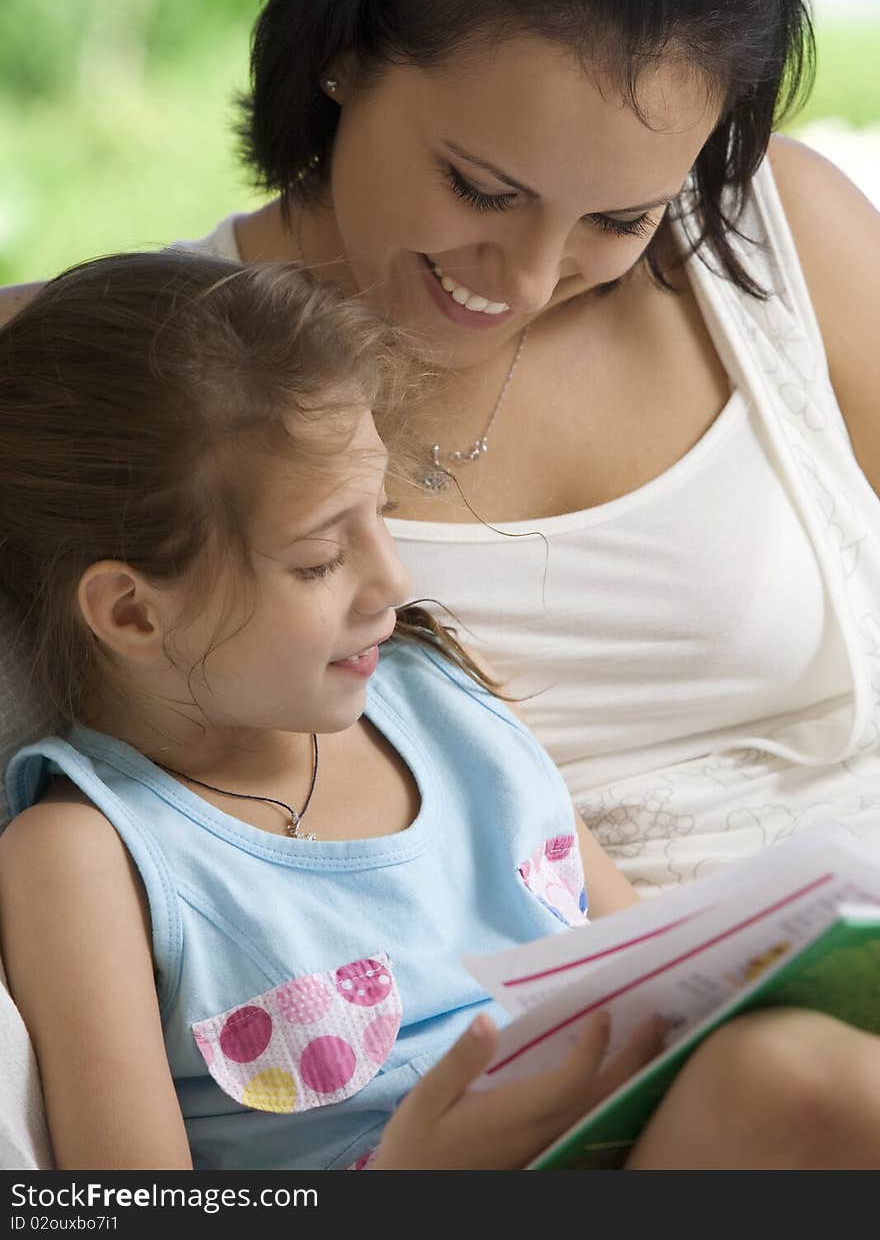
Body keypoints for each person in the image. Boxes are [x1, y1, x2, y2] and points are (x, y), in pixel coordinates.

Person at [2, 0, 879, 897]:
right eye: (481, 188)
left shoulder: (780, 233)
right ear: (344, 53)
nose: (530, 277)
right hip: (553, 1012)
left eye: (619, 219)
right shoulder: (120, 375)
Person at [3, 250, 880, 1174]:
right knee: (790, 1083)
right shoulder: (89, 855)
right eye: (316, 560)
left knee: (791, 1071)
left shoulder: (435, 696)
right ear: (134, 612)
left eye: (380, 512)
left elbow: (638, 966)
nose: (394, 581)